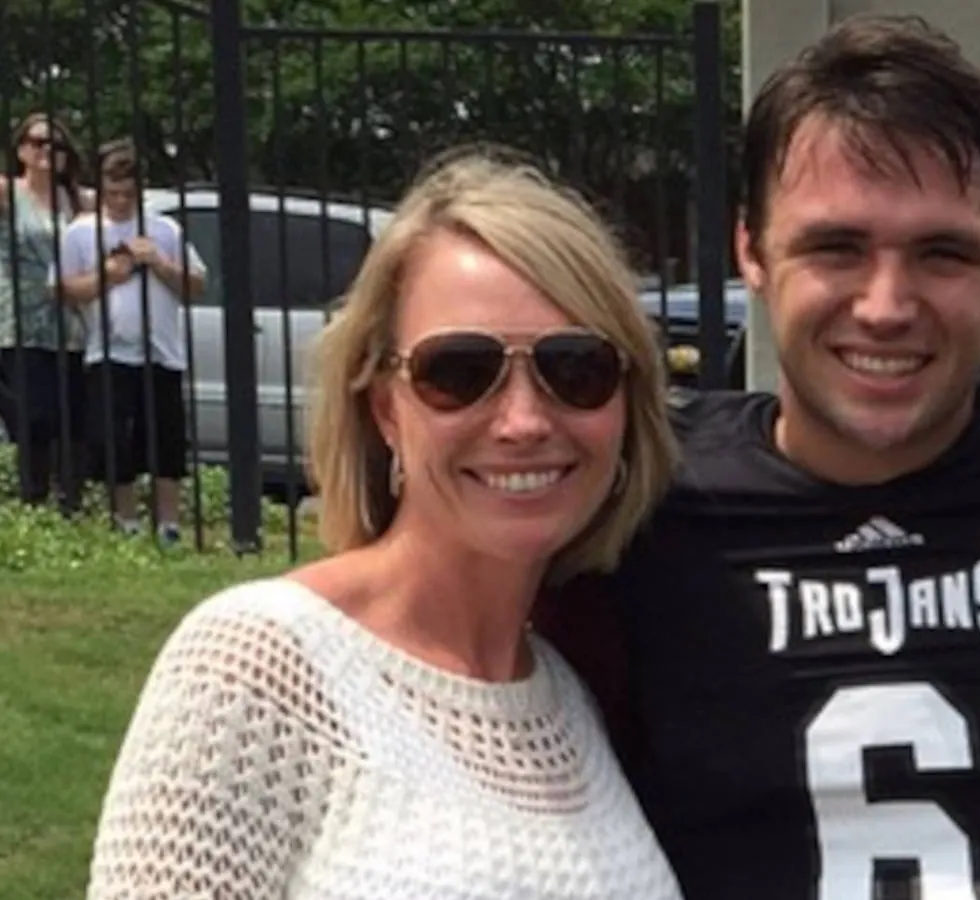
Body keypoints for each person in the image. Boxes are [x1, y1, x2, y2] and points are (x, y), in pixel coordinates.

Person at [534, 13, 980, 900]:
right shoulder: (637, 493)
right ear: (751, 250)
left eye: (944, 253)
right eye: (836, 247)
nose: (886, 305)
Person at [84, 149, 684, 899]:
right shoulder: (253, 669)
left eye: (577, 368)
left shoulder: (569, 698)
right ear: (385, 408)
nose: (525, 420)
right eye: (459, 371)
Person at [55, 139, 205, 543]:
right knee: (111, 439)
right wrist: (110, 275)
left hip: (162, 351)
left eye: (128, 194)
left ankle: (169, 525)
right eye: (113, 193)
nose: (121, 201)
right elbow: (65, 290)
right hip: (108, 349)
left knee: (165, 439)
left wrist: (157, 261)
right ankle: (126, 521)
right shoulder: (80, 233)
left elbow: (196, 284)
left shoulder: (164, 229)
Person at [0, 112, 94, 511]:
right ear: (21, 150)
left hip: (72, 321)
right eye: (38, 143)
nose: (47, 152)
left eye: (56, 145)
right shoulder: (8, 193)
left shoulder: (80, 199)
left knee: (71, 417)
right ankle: (33, 500)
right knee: (32, 416)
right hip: (20, 319)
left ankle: (70, 501)